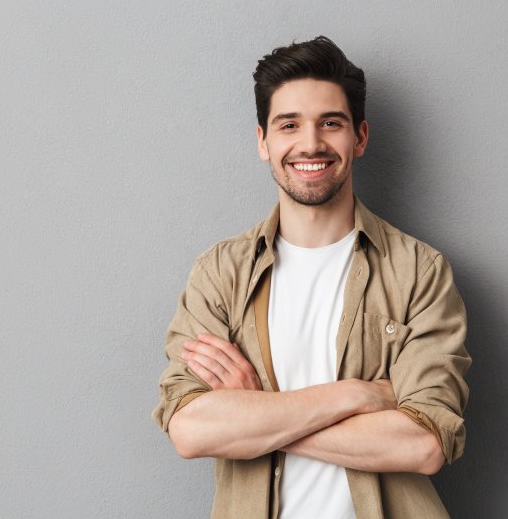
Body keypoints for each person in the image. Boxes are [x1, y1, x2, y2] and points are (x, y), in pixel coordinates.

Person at [152, 36, 471, 519]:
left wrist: (257, 412)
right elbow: (192, 430)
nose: (311, 144)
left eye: (330, 123)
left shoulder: (419, 272)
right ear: (263, 141)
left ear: (359, 137)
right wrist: (357, 396)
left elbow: (424, 443)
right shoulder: (220, 273)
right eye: (289, 125)